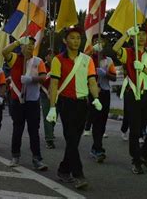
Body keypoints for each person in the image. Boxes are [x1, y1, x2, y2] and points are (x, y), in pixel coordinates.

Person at [47, 27, 101, 190]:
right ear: (65, 40)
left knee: (74, 141)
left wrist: (96, 98)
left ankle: (63, 169)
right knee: (70, 138)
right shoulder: (58, 60)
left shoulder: (87, 60)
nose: (76, 41)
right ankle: (78, 175)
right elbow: (54, 84)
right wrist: (52, 107)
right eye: (72, 38)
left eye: (78, 38)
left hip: (82, 104)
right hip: (65, 103)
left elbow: (92, 81)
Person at [112, 25, 147, 175]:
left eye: (144, 35)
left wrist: (144, 68)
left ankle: (144, 154)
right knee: (135, 129)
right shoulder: (128, 53)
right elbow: (115, 48)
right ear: (134, 37)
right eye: (139, 34)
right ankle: (136, 160)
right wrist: (126, 33)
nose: (142, 37)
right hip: (133, 93)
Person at [2, 36, 48, 171]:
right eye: (27, 45)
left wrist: (31, 79)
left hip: (33, 101)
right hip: (17, 100)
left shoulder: (38, 61)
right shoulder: (15, 58)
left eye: (32, 46)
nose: (29, 47)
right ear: (21, 47)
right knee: (18, 129)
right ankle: (15, 156)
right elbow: (4, 52)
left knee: (34, 130)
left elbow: (44, 77)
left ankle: (37, 159)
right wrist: (17, 42)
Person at [88, 34, 116, 162]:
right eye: (95, 41)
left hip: (104, 91)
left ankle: (95, 147)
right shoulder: (87, 59)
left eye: (100, 41)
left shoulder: (108, 60)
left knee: (103, 121)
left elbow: (114, 77)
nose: (98, 43)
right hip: (92, 93)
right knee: (96, 120)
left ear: (104, 43)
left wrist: (105, 73)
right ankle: (98, 149)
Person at [40, 49, 56, 149]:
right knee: (47, 116)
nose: (52, 57)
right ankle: (49, 139)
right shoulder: (42, 66)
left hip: (56, 94)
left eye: (53, 55)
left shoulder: (57, 65)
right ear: (46, 57)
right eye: (50, 55)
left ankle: (50, 131)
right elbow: (41, 80)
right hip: (45, 93)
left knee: (55, 115)